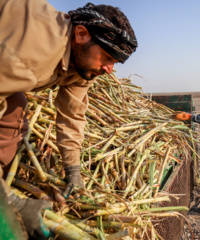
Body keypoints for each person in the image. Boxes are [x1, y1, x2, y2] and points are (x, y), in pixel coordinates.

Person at [0, 1, 137, 238]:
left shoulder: (83, 63)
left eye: (114, 62)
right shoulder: (33, 48)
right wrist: (10, 203)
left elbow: (72, 114)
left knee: (15, 106)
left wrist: (73, 170)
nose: (109, 70)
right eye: (106, 56)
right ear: (81, 34)